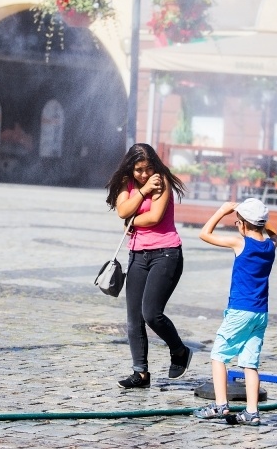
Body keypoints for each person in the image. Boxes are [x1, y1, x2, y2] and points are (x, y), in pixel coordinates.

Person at [105, 143, 192, 389]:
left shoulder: (161, 180)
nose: (144, 174)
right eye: (139, 169)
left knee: (151, 313)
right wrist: (142, 192)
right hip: (137, 255)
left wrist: (132, 222)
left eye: (148, 168)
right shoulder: (130, 182)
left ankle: (179, 351)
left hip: (166, 254)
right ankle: (140, 373)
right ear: (131, 168)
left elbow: (154, 217)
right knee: (133, 318)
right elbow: (122, 210)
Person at [193, 198, 277, 426]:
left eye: (236, 221)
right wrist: (261, 222)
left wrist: (222, 210)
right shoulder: (270, 246)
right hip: (260, 313)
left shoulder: (240, 243)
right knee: (250, 363)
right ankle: (252, 412)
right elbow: (276, 233)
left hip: (240, 310)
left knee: (218, 356)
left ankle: (220, 405)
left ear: (241, 224)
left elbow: (205, 233)